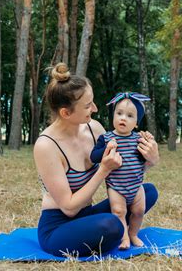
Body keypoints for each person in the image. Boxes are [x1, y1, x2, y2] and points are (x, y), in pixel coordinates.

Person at [33, 63, 159, 257]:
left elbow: (125, 169)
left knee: (147, 192)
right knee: (112, 225)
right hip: (58, 226)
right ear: (66, 113)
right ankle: (115, 231)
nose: (95, 108)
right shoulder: (46, 145)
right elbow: (68, 207)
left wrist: (151, 159)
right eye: (87, 106)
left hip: (86, 214)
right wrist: (103, 170)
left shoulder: (94, 129)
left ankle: (117, 231)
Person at [90, 92, 155, 249]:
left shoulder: (138, 139)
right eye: (119, 113)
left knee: (139, 211)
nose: (123, 118)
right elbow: (94, 156)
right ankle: (124, 237)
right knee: (119, 211)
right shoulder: (106, 138)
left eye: (130, 115)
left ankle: (133, 233)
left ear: (136, 123)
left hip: (136, 185)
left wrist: (150, 143)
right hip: (116, 186)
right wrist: (106, 148)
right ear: (113, 116)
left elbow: (144, 159)